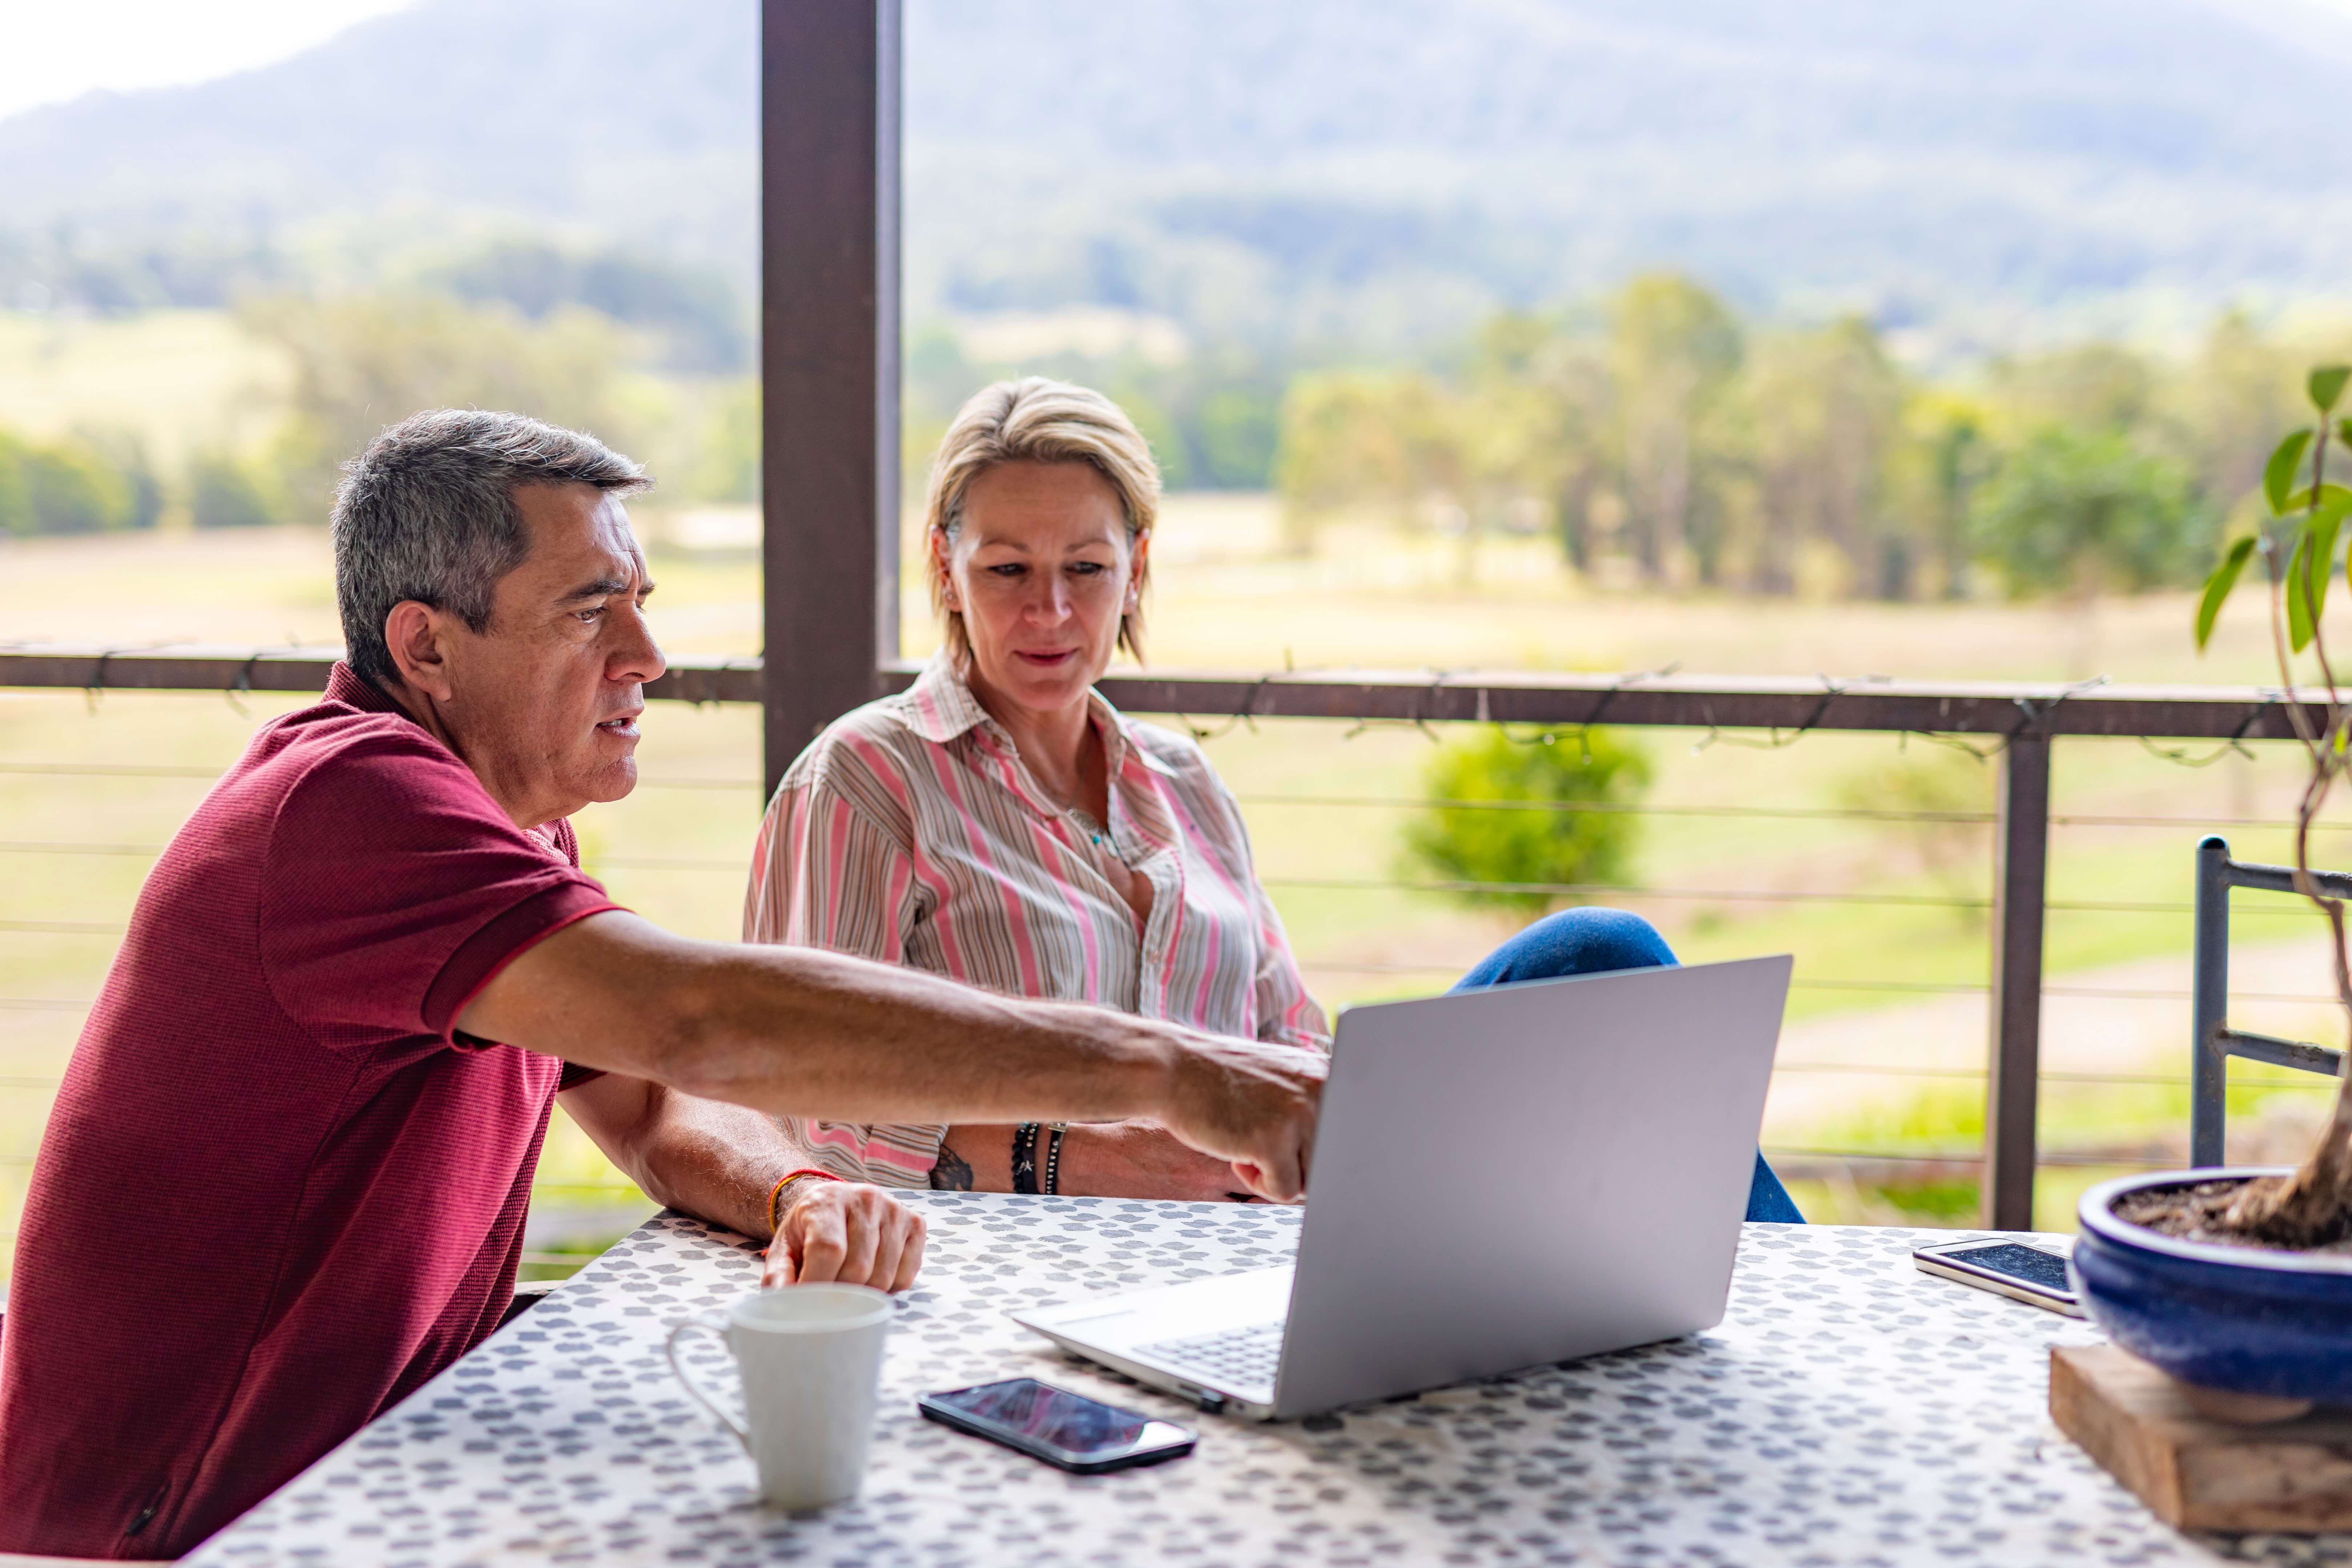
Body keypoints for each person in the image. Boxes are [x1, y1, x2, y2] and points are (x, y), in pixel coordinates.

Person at [0, 410, 1323, 1563]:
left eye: (639, 601)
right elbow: (700, 1020)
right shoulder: (349, 808)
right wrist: (1170, 1069)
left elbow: (648, 1101)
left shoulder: (502, 822)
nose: (648, 655)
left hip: (377, 1467)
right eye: (591, 612)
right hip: (182, 1533)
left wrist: (795, 1186)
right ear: (427, 646)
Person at [744, 377, 1801, 1221]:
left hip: (1262, 1227)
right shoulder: (867, 780)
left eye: (1088, 566)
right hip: (1042, 1255)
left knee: (1599, 958)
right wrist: (1076, 1153)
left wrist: (1382, 1124)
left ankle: (1776, 1329)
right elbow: (794, 1097)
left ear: (1137, 567)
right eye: (1008, 568)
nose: (1050, 611)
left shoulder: (1185, 782)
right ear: (946, 564)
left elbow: (1292, 1042)